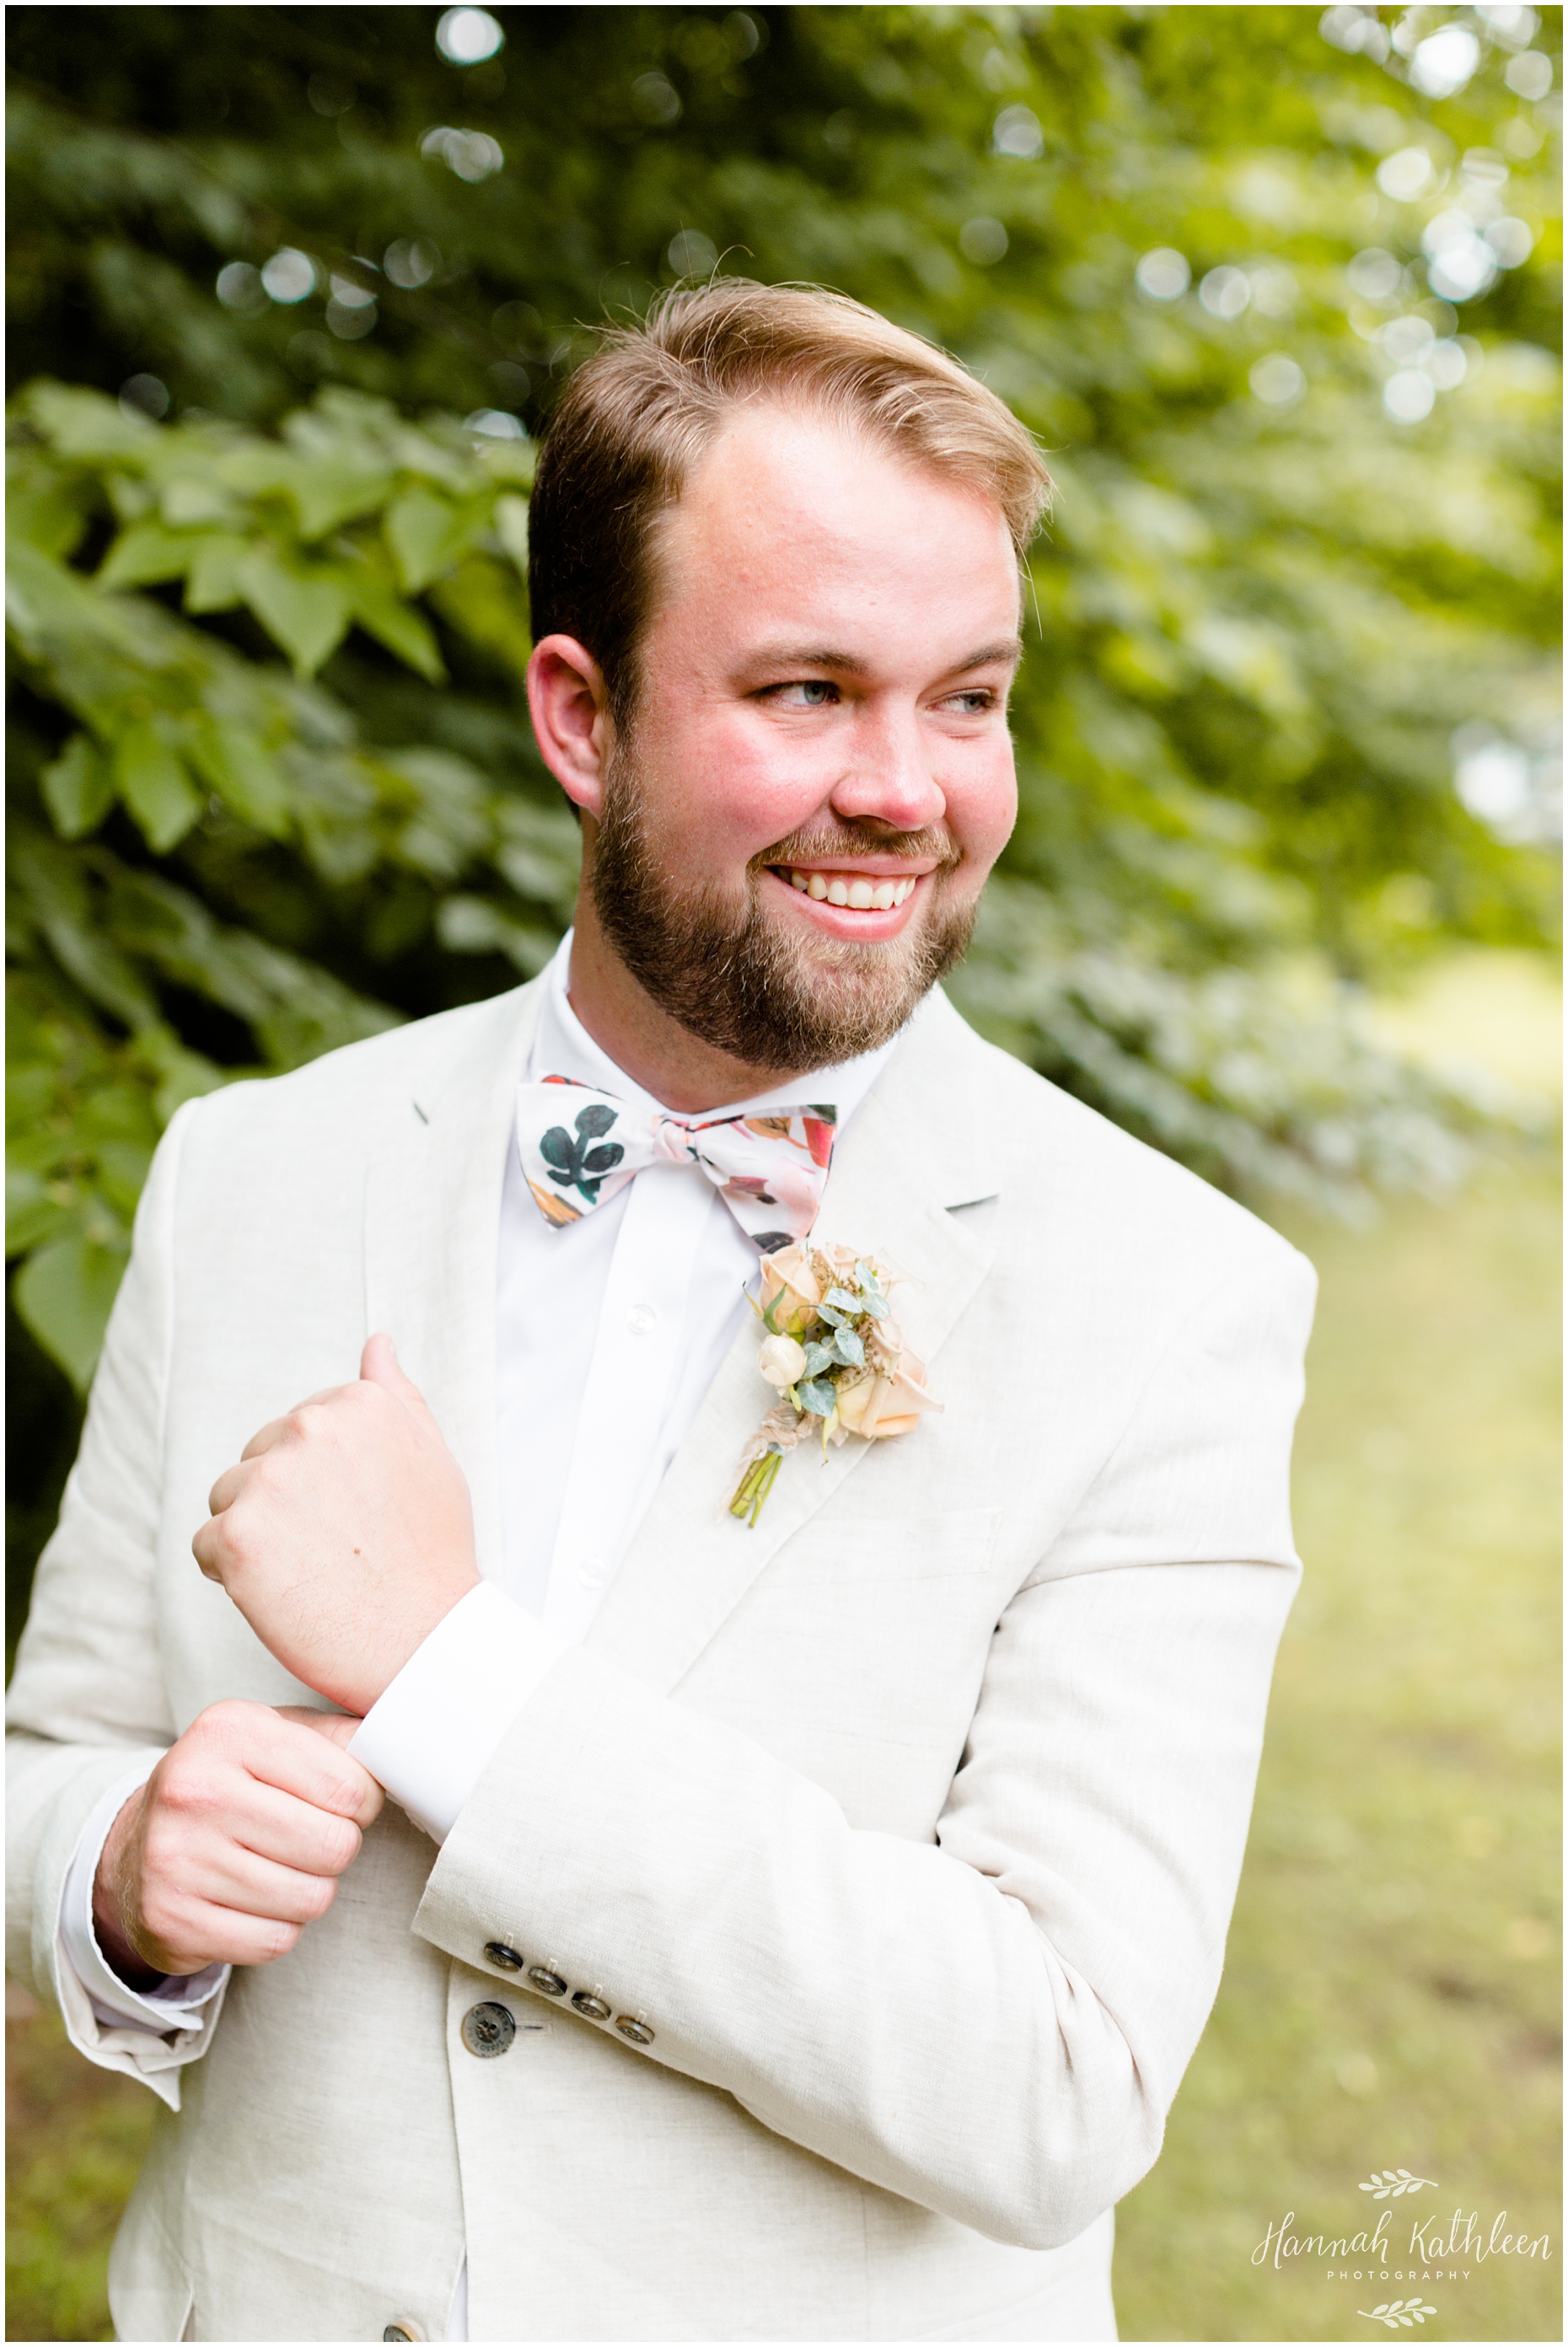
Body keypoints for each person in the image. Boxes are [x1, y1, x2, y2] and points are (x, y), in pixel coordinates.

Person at [6, 281, 1315, 2345]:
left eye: (968, 699)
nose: (911, 792)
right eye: (807, 691)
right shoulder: (250, 1170)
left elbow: (1058, 2079)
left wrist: (448, 1674)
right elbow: (50, 1756)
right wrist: (111, 1866)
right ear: (577, 714)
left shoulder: (1174, 1300)